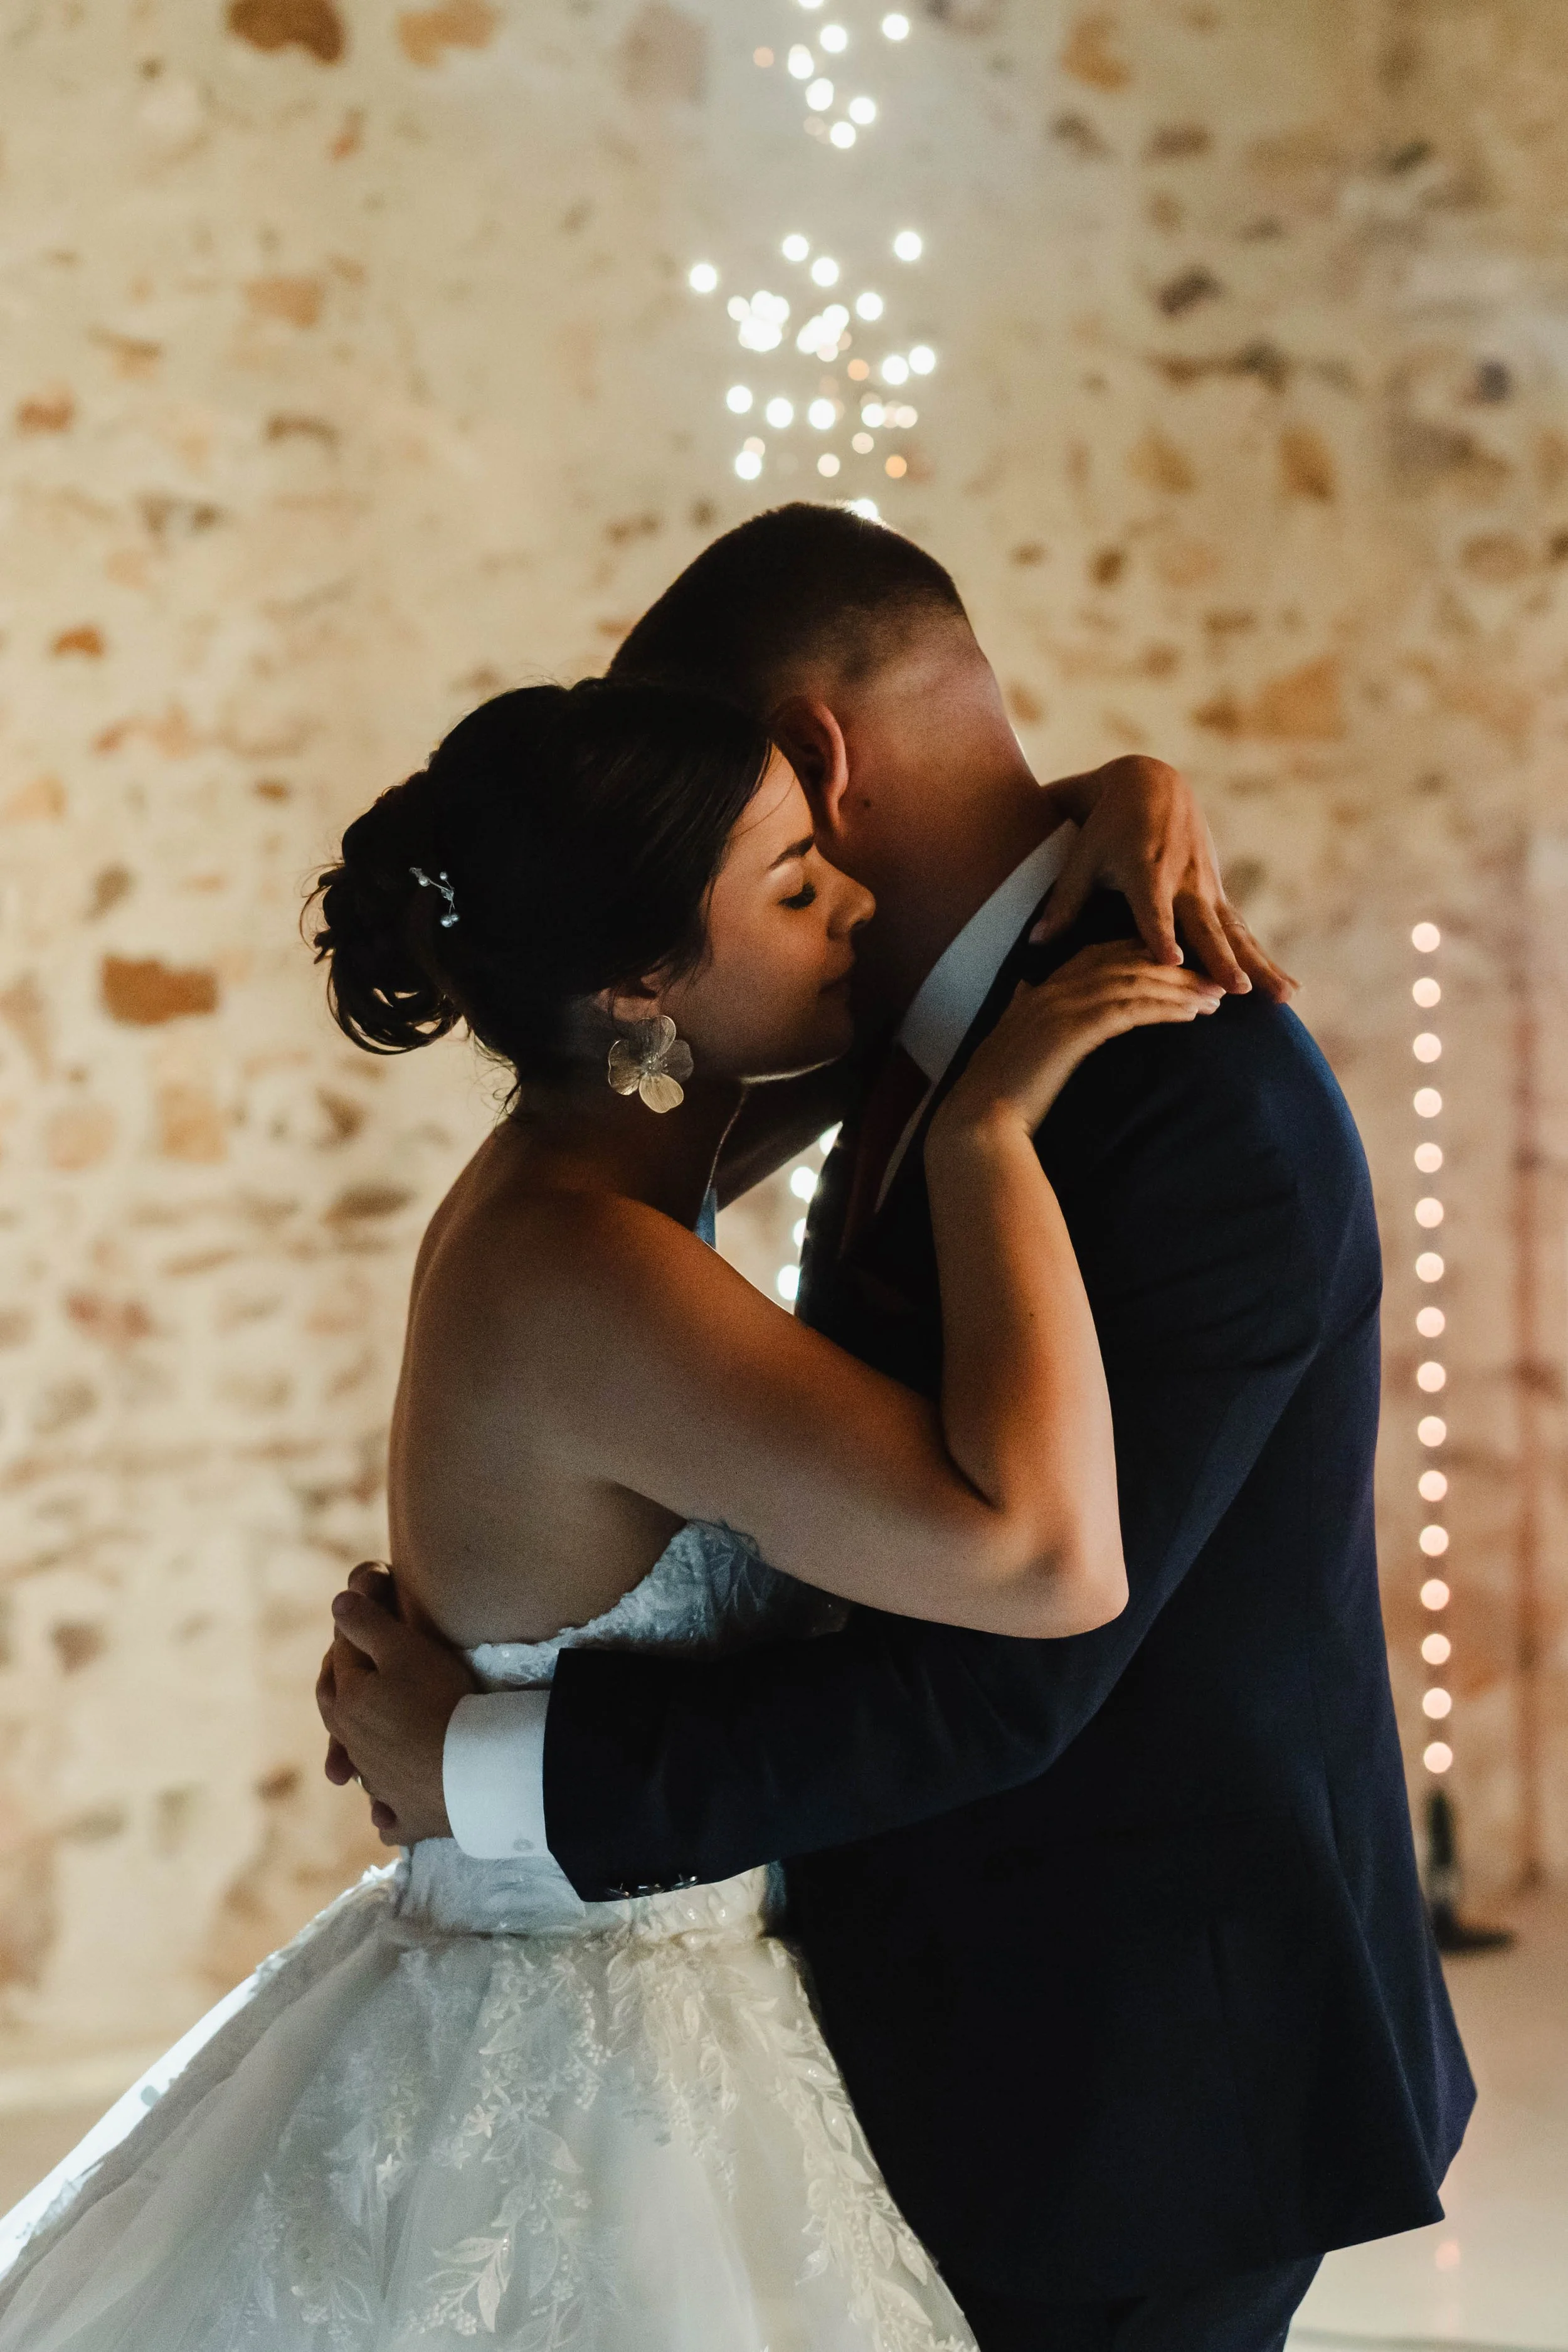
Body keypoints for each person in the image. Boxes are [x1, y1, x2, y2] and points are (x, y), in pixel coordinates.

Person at [320, 508, 1476, 2352]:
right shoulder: (894, 1044)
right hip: (922, 2038)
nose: (811, 894)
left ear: (820, 758)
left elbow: (1025, 1650)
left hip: (1145, 2073)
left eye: (765, 825)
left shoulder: (1169, 1093)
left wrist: (485, 1771)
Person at [0, 675, 1231, 2351]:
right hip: (590, 2069)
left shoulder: (618, 1142)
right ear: (640, 981)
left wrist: (1126, 785)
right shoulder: (588, 1263)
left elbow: (900, 975)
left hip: (624, 1981)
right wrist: (989, 1140)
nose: (858, 904)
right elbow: (1043, 1558)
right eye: (796, 887)